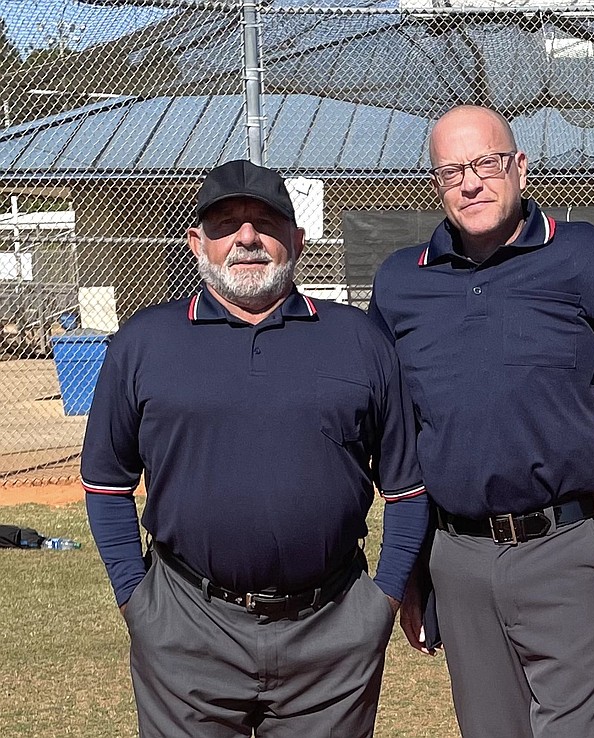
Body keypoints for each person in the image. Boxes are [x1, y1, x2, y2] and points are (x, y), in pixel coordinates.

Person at [80, 159, 428, 737]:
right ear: (198, 243)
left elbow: (408, 487)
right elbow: (106, 482)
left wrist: (380, 604)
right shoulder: (144, 342)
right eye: (226, 224)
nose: (246, 237)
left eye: (265, 222)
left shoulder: (358, 339)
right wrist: (136, 602)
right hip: (187, 626)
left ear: (296, 238)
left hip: (331, 631)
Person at [367, 105, 594, 738]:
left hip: (566, 548)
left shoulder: (590, 260)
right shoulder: (400, 285)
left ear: (520, 167)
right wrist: (414, 569)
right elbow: (400, 444)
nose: (470, 183)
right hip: (459, 558)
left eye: (485, 164)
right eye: (452, 171)